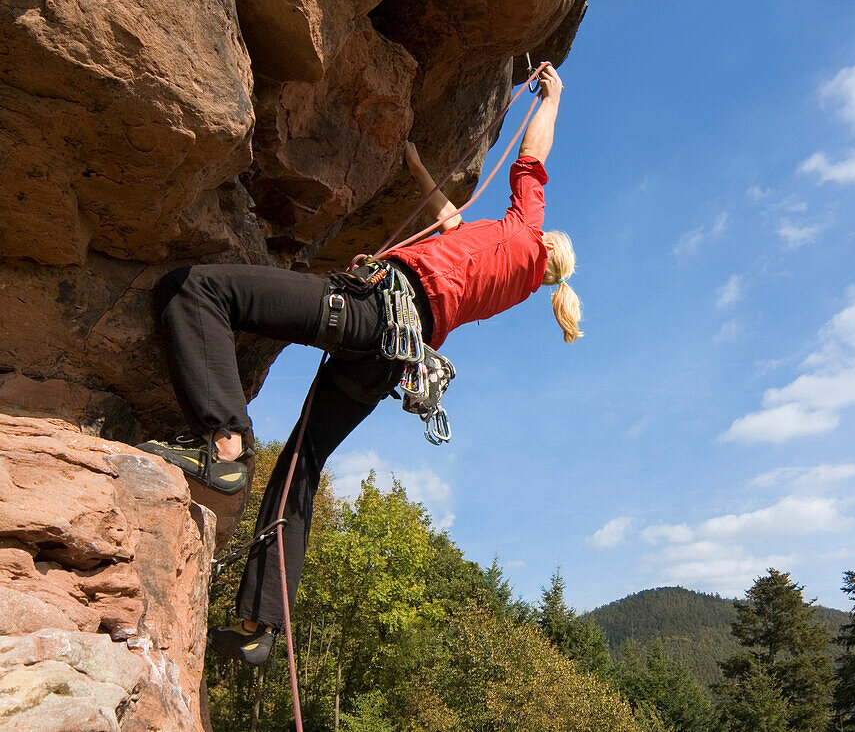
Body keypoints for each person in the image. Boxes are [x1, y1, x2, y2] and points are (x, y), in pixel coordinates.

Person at [136, 65, 579, 666]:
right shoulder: (511, 277)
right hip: (391, 359)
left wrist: (551, 98)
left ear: (548, 245)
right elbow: (451, 220)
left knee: (198, 290)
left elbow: (531, 159)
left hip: (372, 310)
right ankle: (259, 629)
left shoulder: (524, 232)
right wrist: (418, 164)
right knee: (301, 465)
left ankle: (223, 445)